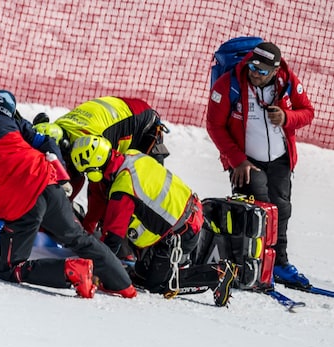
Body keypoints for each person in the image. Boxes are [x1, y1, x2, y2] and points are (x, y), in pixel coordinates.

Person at [0, 97, 136, 299]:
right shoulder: (2, 122)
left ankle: (70, 270)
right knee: (79, 238)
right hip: (48, 183)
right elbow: (41, 140)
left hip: (22, 206)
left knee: (10, 269)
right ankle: (124, 285)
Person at [70, 135, 236, 306]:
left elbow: (113, 239)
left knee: (158, 285)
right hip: (191, 212)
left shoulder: (123, 189)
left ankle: (217, 275)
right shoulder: (132, 155)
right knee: (140, 277)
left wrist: (93, 270)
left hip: (182, 234)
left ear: (95, 170)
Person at [206, 41, 315, 288]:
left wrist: (288, 118)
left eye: (263, 71)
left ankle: (279, 264)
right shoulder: (229, 84)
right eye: (253, 67)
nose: (255, 73)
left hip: (279, 159)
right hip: (246, 162)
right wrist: (237, 160)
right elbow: (214, 125)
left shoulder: (287, 83)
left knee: (281, 211)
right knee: (256, 212)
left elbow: (307, 112)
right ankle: (246, 266)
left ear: (275, 70)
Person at [36, 96, 170, 200]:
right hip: (121, 108)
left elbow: (96, 186)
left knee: (137, 188)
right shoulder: (59, 127)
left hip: (143, 124)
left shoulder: (93, 140)